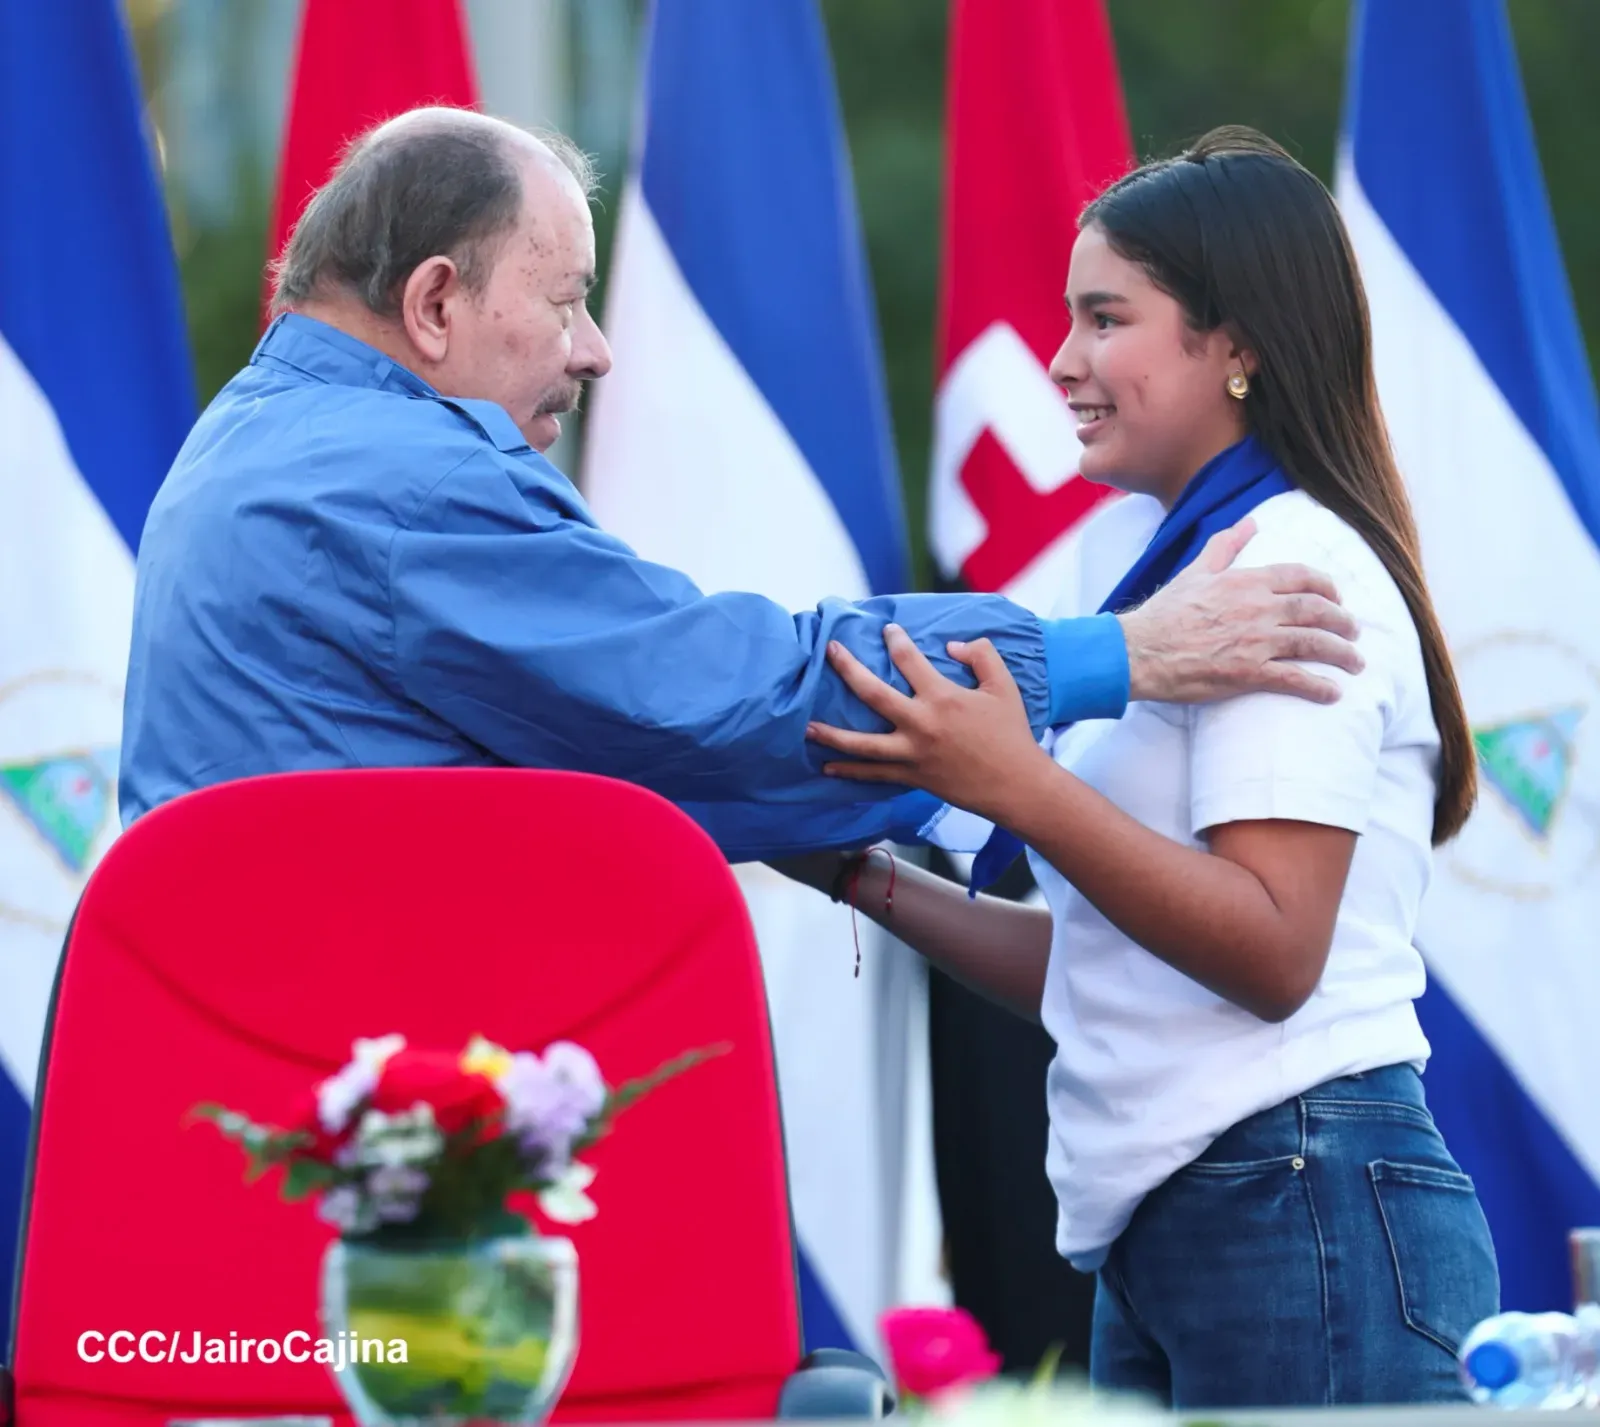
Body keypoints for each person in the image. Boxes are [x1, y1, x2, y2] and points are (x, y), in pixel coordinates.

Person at [120, 107, 1360, 858]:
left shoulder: (265, 435)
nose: (597, 350)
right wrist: (1117, 656)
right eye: (565, 301)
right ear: (436, 301)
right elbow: (712, 698)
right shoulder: (400, 484)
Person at [774, 128, 1499, 1406]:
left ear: (1239, 347)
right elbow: (1108, 966)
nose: (1061, 361)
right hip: (1204, 1210)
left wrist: (1018, 784)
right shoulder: (1184, 570)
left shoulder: (1288, 569)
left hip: (1295, 1193)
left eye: (1105, 319)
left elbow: (1272, 952)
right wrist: (852, 872)